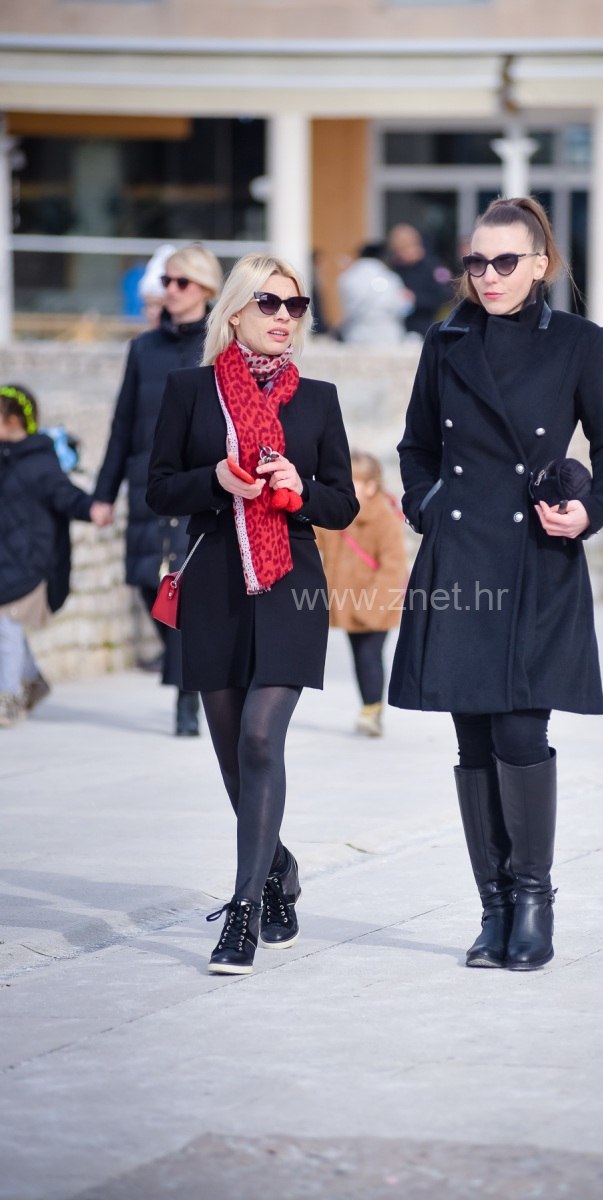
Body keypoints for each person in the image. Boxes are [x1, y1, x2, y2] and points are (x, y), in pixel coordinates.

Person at [388, 196, 603, 971]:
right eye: (475, 261)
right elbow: (415, 446)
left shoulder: (578, 343)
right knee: (471, 738)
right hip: (460, 558)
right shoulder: (445, 340)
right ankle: (492, 910)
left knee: (520, 734)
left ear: (539, 265)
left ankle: (532, 902)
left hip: (536, 558)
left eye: (503, 262)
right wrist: (428, 506)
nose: (487, 275)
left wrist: (588, 511)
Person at [146, 251, 358, 975]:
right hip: (214, 585)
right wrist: (214, 479)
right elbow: (159, 489)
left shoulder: (319, 399)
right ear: (234, 312)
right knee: (234, 757)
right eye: (269, 303)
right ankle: (278, 869)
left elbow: (343, 505)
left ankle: (242, 911)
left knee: (262, 739)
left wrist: (299, 487)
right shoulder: (189, 390)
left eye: (295, 305)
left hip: (292, 582)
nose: (284, 317)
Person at [91, 243, 223, 736]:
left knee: (190, 588)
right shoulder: (143, 348)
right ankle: (186, 673)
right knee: (151, 583)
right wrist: (103, 494)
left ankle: (187, 700)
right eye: (166, 281)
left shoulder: (220, 345)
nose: (170, 290)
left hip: (200, 484)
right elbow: (122, 424)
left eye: (180, 281)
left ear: (205, 288)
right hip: (149, 483)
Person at [0, 384, 104, 729]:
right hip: (6, 562)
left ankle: (7, 699)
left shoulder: (42, 463)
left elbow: (67, 496)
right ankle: (33, 681)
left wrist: (93, 509)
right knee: (5, 626)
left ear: (12, 420)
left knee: (6, 624)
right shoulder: (4, 458)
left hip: (33, 565)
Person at [315, 450, 408, 737]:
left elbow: (393, 567)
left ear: (370, 486)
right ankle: (369, 706)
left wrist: (371, 606)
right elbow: (314, 537)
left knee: (370, 655)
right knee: (359, 655)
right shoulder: (338, 514)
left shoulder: (384, 519)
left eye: (351, 481)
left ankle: (372, 711)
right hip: (349, 602)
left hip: (376, 604)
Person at [337, 242, 413, 345]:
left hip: (355, 335)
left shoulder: (347, 277)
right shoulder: (390, 277)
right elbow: (403, 307)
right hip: (388, 335)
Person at [387, 223, 453, 339]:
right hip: (398, 328)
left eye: (405, 249)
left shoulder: (433, 267)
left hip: (425, 327)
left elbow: (445, 295)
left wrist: (415, 299)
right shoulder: (395, 267)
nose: (401, 255)